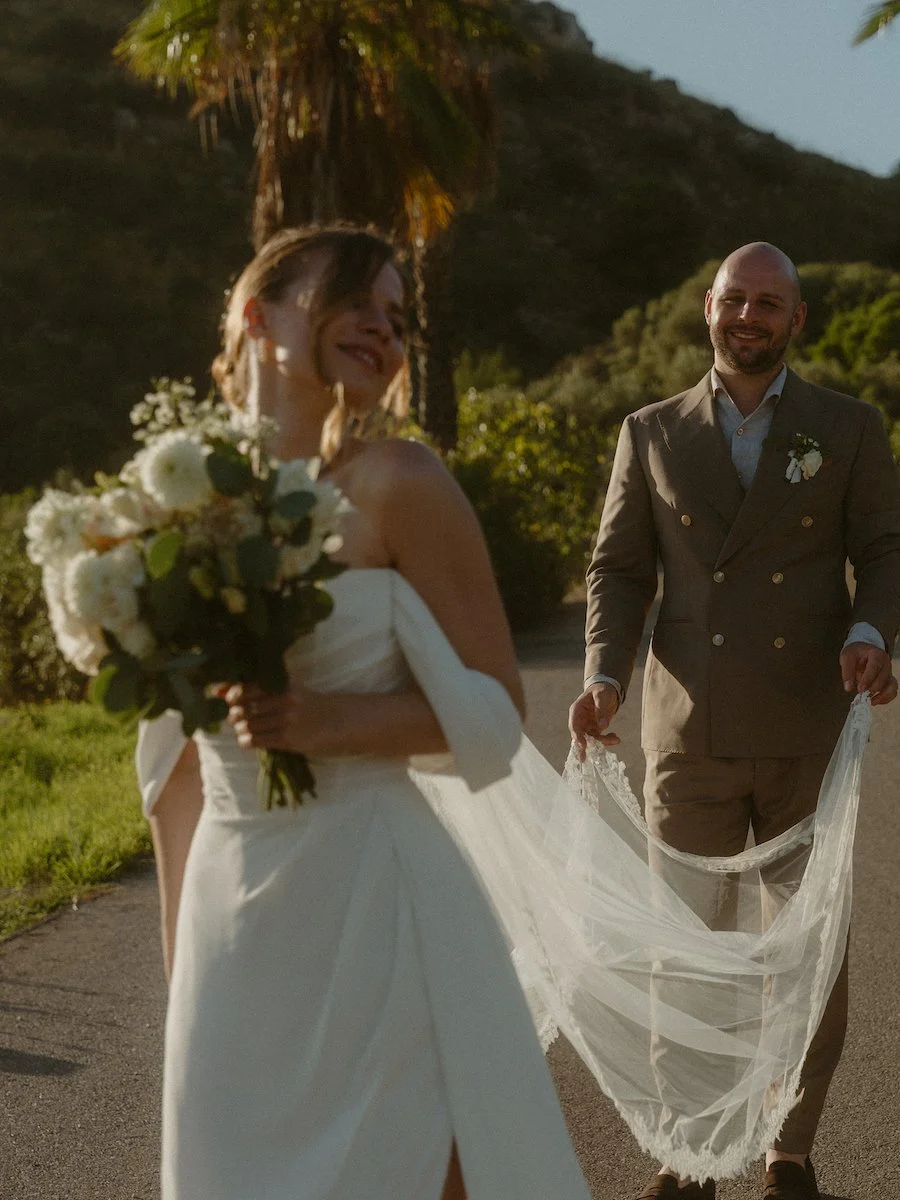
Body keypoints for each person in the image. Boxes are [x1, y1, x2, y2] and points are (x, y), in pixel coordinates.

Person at [137, 225, 590, 1200]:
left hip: (375, 894)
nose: (383, 331)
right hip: (232, 907)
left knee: (411, 1166)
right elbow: (173, 773)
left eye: (396, 315)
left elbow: (497, 710)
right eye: (354, 301)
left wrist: (319, 722)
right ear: (259, 316)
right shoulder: (177, 513)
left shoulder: (401, 485)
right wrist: (187, 981)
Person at [568, 242, 900, 1200]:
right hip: (689, 736)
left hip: (808, 729)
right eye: (734, 300)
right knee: (688, 959)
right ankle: (690, 1153)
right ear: (706, 310)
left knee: (811, 950)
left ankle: (787, 1149)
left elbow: (885, 547)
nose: (748, 317)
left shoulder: (847, 425)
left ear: (798, 319)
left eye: (769, 303)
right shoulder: (651, 430)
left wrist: (872, 627)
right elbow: (618, 571)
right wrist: (603, 676)